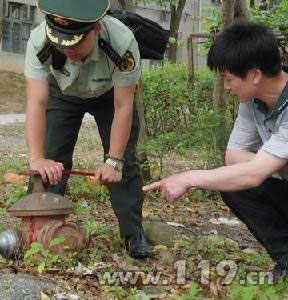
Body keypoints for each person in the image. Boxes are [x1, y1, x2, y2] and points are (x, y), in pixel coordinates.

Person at [143, 22, 288, 281]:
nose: (226, 87)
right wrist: (276, 162)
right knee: (237, 185)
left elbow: (252, 174)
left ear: (254, 74)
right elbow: (233, 158)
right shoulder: (252, 100)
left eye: (228, 78)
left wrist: (188, 178)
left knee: (245, 178)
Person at [24, 0, 152, 259]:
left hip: (109, 96)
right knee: (50, 159)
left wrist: (114, 161)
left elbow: (123, 105)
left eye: (74, 43)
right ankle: (38, 231)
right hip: (63, 92)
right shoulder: (40, 41)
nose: (65, 49)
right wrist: (37, 158)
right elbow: (36, 101)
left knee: (123, 162)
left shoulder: (121, 42)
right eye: (60, 42)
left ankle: (132, 233)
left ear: (96, 30)